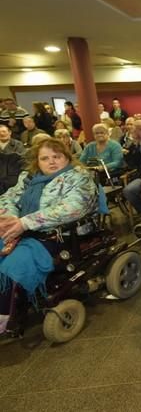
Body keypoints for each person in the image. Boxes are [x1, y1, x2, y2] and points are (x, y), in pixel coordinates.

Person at [0, 139, 97, 334]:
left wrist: (25, 222)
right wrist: (10, 216)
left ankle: (4, 316)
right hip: (22, 229)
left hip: (58, 236)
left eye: (57, 156)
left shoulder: (78, 177)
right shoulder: (29, 177)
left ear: (67, 158)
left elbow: (73, 208)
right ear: (37, 161)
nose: (51, 161)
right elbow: (8, 197)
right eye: (45, 158)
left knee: (12, 266)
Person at [122, 120, 141, 214]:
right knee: (128, 191)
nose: (132, 135)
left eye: (134, 132)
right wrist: (128, 153)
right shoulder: (138, 144)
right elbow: (132, 164)